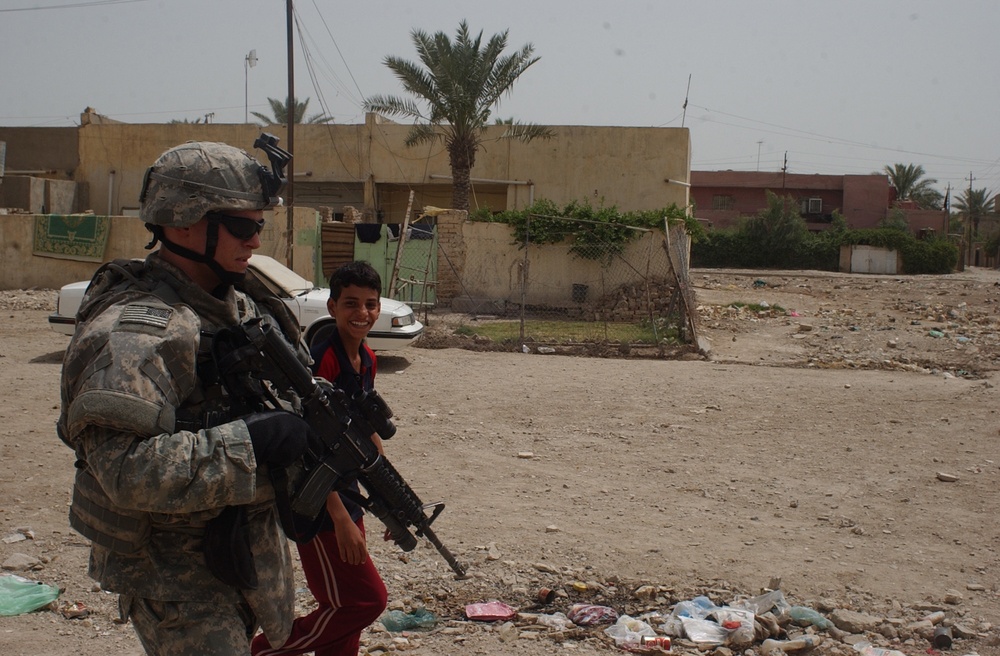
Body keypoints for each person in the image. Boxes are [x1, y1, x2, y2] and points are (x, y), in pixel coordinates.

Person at [58, 138, 313, 655]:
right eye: (242, 226)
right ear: (181, 225)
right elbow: (124, 471)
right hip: (177, 583)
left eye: (259, 225)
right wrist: (251, 443)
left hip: (239, 556)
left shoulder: (244, 307)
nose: (255, 241)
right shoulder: (139, 331)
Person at [251, 261, 389, 656]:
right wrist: (341, 517)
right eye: (351, 304)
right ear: (331, 307)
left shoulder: (368, 359)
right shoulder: (320, 362)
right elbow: (307, 448)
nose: (362, 313)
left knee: (348, 608)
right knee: (363, 602)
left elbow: (358, 430)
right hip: (317, 502)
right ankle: (261, 651)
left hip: (346, 490)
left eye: (370, 304)